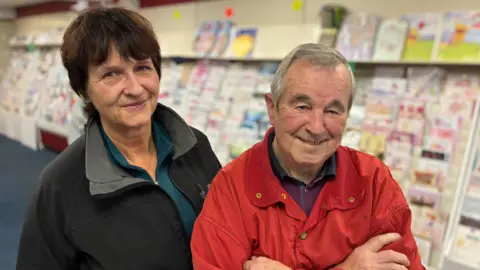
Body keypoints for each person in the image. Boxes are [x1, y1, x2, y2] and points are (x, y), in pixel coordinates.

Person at [16, 7, 221, 270]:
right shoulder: (60, 186)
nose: (135, 88)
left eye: (143, 67)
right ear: (84, 89)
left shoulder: (195, 145)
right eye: (111, 74)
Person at [191, 43, 425, 270]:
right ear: (272, 109)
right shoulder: (231, 189)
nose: (316, 127)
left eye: (333, 111)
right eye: (302, 106)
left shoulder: (374, 182)